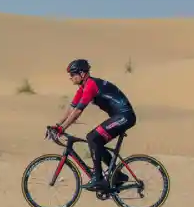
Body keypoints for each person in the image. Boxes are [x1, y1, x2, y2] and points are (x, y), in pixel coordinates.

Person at [48, 59, 137, 191]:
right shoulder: (83, 88)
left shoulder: (91, 85)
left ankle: (98, 178)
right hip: (119, 116)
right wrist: (57, 125)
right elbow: (72, 108)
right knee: (95, 139)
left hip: (125, 116)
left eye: (72, 74)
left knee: (93, 138)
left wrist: (62, 128)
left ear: (82, 74)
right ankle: (116, 174)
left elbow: (78, 112)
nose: (70, 77)